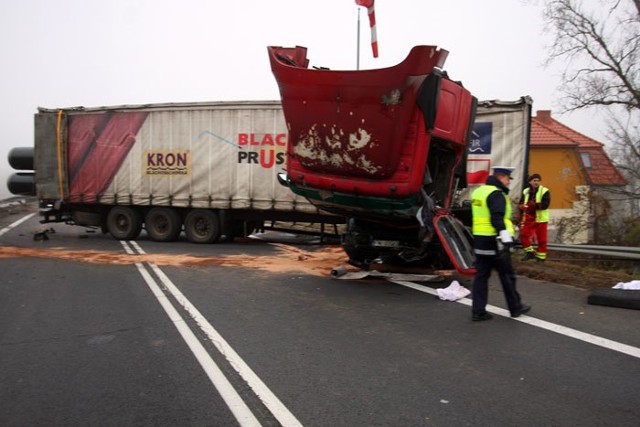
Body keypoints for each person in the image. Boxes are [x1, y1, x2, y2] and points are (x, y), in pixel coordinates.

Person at [470, 166, 531, 321]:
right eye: (507, 179)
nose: (508, 182)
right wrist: (506, 239)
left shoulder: (478, 192)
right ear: (501, 177)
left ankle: (478, 311)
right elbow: (496, 218)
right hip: (495, 241)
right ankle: (515, 307)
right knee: (507, 275)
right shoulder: (497, 194)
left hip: (479, 240)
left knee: (481, 277)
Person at [518, 173, 551, 262]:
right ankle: (530, 252)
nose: (536, 182)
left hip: (541, 219)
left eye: (538, 181)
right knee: (524, 235)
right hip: (529, 218)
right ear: (530, 182)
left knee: (542, 239)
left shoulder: (545, 191)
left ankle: (541, 257)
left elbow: (545, 205)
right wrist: (521, 207)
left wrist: (532, 206)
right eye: (534, 181)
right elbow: (521, 202)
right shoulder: (525, 191)